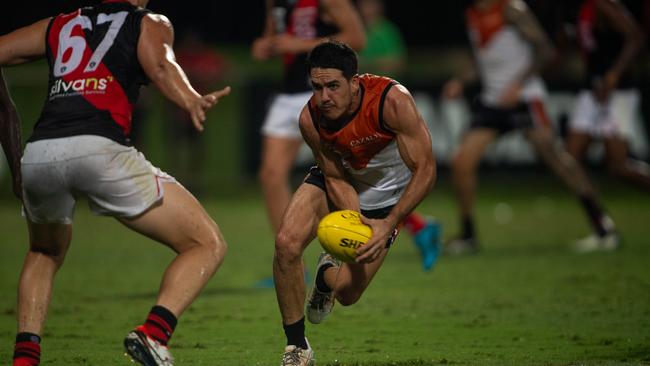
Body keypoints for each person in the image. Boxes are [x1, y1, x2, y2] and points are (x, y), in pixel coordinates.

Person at [0, 1, 231, 365]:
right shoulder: (147, 21)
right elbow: (160, 64)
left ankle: (25, 357)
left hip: (40, 153)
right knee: (207, 243)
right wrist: (190, 98)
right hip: (98, 148)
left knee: (44, 252)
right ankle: (153, 334)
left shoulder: (60, 23)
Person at [273, 40, 436, 365]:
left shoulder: (391, 102)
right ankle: (296, 347)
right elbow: (333, 177)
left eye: (333, 86)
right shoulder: (311, 119)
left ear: (354, 82)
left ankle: (324, 278)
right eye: (317, 87)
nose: (324, 97)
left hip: (389, 198)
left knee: (347, 294)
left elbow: (426, 170)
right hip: (341, 179)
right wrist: (355, 220)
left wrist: (387, 223)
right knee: (286, 244)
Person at [252, 0, 439, 274]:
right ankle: (292, 259)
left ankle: (406, 225)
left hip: (322, 89)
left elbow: (356, 38)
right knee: (272, 175)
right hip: (290, 91)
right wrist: (265, 45)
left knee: (353, 167)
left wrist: (299, 46)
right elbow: (274, 35)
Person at [442, 0, 618, 254]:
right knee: (461, 162)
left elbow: (545, 50)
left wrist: (519, 84)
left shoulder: (511, 9)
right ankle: (468, 236)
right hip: (493, 100)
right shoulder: (471, 14)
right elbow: (482, 59)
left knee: (556, 157)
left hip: (524, 98)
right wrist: (460, 81)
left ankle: (603, 226)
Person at [566, 0, 649, 192]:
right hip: (592, 90)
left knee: (618, 166)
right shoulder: (579, 8)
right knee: (570, 159)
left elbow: (636, 37)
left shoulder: (603, 5)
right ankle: (597, 214)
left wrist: (614, 74)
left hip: (618, 92)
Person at [357, 0, 407, 77]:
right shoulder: (355, 30)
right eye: (363, 3)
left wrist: (367, 64)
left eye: (370, 3)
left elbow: (397, 63)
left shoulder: (388, 31)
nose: (366, 7)